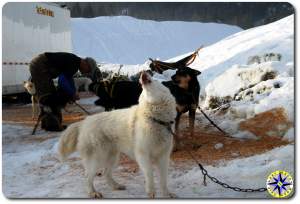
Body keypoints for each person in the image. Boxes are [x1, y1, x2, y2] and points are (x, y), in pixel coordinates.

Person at [29, 52, 96, 131]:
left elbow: (68, 79)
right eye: (88, 70)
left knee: (50, 95)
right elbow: (62, 80)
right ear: (86, 64)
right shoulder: (74, 63)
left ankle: (47, 124)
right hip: (40, 65)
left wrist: (73, 92)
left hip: (39, 65)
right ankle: (52, 126)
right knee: (48, 96)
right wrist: (72, 94)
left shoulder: (74, 62)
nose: (86, 73)